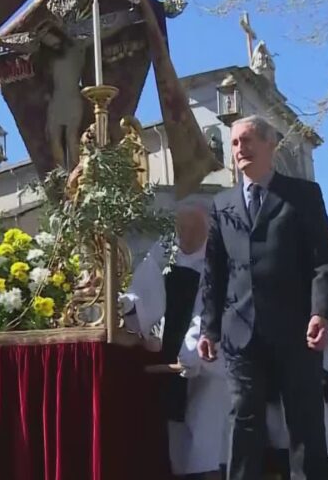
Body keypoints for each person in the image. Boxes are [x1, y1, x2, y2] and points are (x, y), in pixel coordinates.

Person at [198, 115, 328, 480]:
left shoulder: (304, 195)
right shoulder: (222, 204)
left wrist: (321, 313)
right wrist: (209, 328)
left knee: (304, 421)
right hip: (240, 332)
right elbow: (214, 271)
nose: (239, 149)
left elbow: (324, 261)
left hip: (296, 331)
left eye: (247, 140)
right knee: (243, 418)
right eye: (234, 143)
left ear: (269, 144)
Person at [121, 200, 229, 479]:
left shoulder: (219, 256)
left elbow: (209, 309)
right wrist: (130, 308)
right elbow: (145, 290)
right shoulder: (165, 249)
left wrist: (192, 351)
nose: (187, 234)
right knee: (174, 432)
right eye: (182, 227)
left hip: (209, 362)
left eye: (195, 227)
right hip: (168, 355)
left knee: (205, 431)